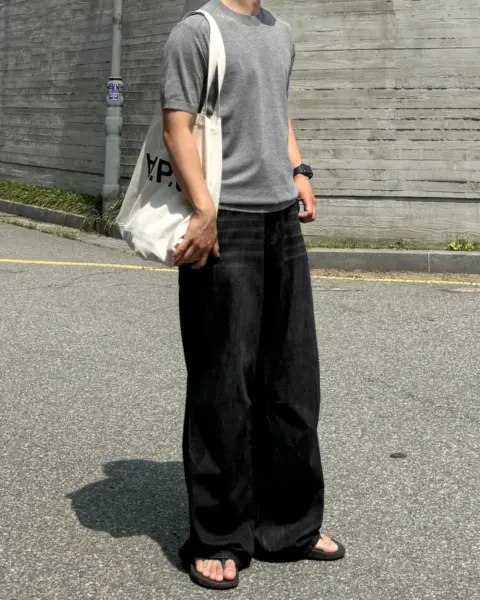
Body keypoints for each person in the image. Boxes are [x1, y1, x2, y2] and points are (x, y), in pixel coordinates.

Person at [160, 0, 345, 590]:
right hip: (226, 221)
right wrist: (204, 210)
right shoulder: (197, 32)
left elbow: (276, 114)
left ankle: (287, 526)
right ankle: (218, 535)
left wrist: (299, 170)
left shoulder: (279, 32)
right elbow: (176, 125)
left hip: (280, 221)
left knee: (292, 380)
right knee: (223, 382)